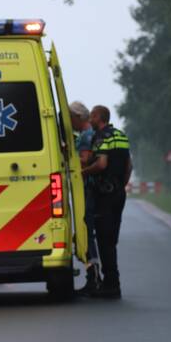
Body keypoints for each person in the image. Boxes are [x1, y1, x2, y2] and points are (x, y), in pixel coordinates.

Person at [81, 105, 132, 299]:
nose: (90, 120)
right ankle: (112, 282)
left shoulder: (101, 137)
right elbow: (129, 165)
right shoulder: (120, 135)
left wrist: (83, 172)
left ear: (98, 117)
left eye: (92, 116)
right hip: (119, 194)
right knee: (112, 239)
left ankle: (111, 285)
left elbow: (101, 164)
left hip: (104, 195)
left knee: (104, 240)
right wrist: (121, 185)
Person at [69, 101, 99, 294]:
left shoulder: (86, 136)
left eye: (70, 117)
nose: (69, 121)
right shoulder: (89, 134)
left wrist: (67, 156)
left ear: (78, 117)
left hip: (88, 189)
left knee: (86, 232)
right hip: (91, 189)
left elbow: (85, 160)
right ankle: (94, 276)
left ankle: (93, 277)